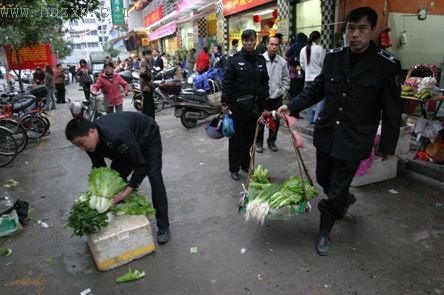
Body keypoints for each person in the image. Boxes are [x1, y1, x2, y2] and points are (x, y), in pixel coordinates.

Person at [277, 7, 402, 256]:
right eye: (350, 28)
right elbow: (317, 90)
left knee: (335, 189)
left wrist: (387, 145)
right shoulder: (334, 58)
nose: (355, 34)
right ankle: (342, 200)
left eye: (362, 29)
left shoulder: (386, 65)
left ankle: (324, 230)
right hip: (327, 133)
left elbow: (392, 111)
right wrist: (290, 105)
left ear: (372, 30)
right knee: (324, 178)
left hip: (355, 138)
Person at [65, 112, 171, 244]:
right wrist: (100, 191)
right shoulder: (90, 145)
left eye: (81, 143)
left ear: (92, 131)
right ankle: (121, 212)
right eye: (78, 146)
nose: (82, 148)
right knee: (116, 177)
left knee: (154, 177)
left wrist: (125, 193)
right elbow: (99, 167)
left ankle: (163, 226)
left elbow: (140, 166)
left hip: (147, 137)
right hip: (126, 146)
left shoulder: (116, 135)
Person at [222, 29, 269, 181]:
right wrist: (225, 103)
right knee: (236, 139)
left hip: (254, 108)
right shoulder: (234, 60)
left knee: (250, 139)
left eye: (252, 40)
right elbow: (227, 82)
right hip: (238, 108)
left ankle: (245, 164)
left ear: (256, 41)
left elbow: (265, 83)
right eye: (246, 40)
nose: (249, 43)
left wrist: (264, 104)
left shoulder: (261, 61)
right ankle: (234, 168)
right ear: (242, 42)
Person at [256, 36, 290, 153]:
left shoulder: (282, 62)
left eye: (276, 44)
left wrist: (283, 91)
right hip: (263, 98)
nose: (274, 47)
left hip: (276, 97)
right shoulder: (259, 60)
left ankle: (271, 141)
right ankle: (258, 143)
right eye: (271, 44)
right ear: (266, 44)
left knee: (274, 121)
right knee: (261, 120)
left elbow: (286, 79)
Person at [299, 31, 325, 124]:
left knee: (308, 98)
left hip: (307, 77)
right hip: (318, 77)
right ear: (318, 39)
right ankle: (316, 117)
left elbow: (301, 64)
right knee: (322, 98)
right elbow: (323, 63)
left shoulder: (303, 49)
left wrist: (307, 71)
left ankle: (310, 118)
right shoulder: (319, 49)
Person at [285, 32, 307, 119]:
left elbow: (286, 56)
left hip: (293, 73)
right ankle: (294, 112)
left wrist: (292, 62)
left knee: (294, 91)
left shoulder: (293, 46)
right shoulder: (305, 46)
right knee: (299, 92)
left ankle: (292, 111)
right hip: (302, 72)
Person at [139, 49, 156, 119]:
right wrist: (149, 79)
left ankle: (148, 120)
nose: (150, 56)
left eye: (150, 54)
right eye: (148, 54)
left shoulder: (147, 61)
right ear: (144, 55)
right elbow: (142, 74)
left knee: (148, 106)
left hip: (148, 87)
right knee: (149, 107)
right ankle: (149, 121)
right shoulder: (143, 62)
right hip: (146, 87)